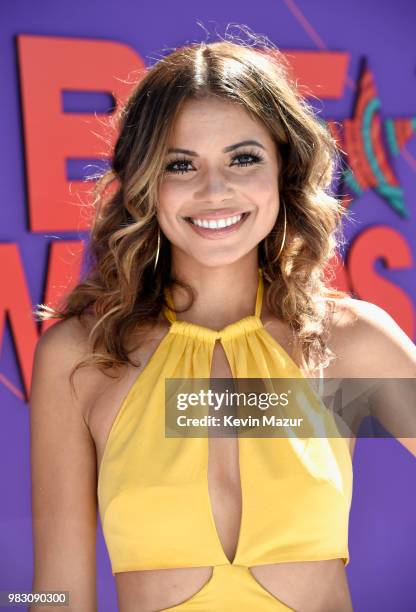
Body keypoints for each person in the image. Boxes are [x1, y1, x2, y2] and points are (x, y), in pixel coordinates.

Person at [29, 30, 416, 612]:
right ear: (145, 184)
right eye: (181, 164)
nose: (216, 189)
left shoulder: (349, 344)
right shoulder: (81, 358)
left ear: (283, 170)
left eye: (243, 158)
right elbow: (55, 593)